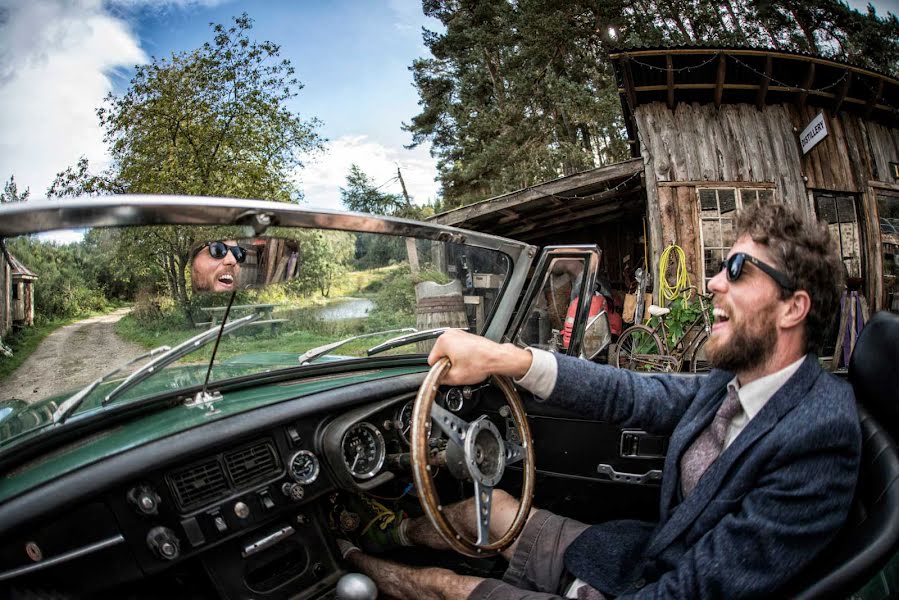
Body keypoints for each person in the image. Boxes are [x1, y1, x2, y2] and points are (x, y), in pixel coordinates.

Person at [338, 202, 861, 599]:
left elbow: (700, 591)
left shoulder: (818, 436)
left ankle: (344, 561)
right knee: (493, 509)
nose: (711, 283)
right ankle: (391, 529)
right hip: (640, 556)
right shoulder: (738, 386)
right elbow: (633, 392)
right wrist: (509, 359)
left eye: (738, 269)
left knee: (443, 585)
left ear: (793, 308)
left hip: (646, 588)